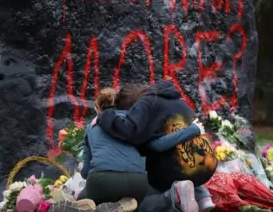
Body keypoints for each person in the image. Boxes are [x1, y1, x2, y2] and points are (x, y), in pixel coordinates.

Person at [92, 81, 218, 212]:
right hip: (207, 166)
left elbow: (130, 131)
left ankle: (172, 197)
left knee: (138, 201)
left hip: (178, 171)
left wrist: (105, 116)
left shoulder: (144, 104)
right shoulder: (175, 101)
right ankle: (201, 196)